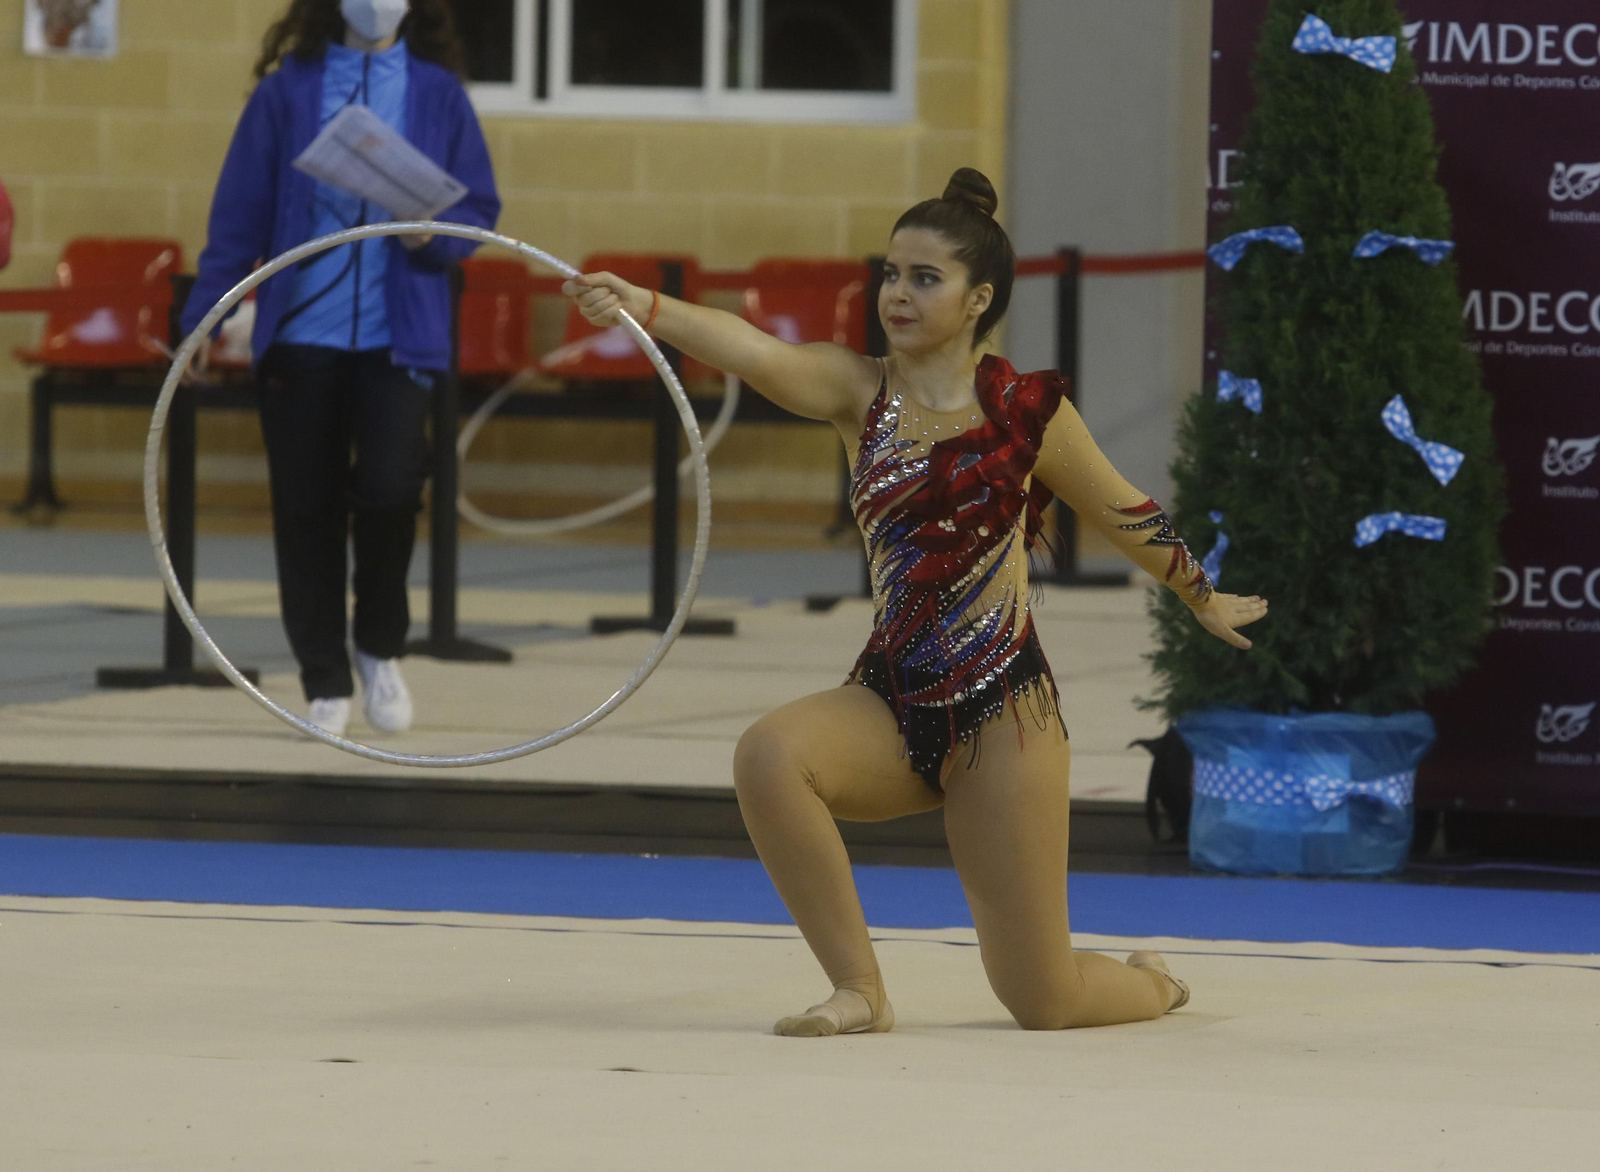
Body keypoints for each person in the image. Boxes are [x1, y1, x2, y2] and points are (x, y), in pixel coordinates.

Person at [564, 169, 1268, 1035]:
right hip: (892, 700)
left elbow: (1123, 509)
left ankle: (1154, 982)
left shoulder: (1024, 413)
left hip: (1004, 717)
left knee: (1043, 1001)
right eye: (891, 274)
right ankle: (860, 990)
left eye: (924, 279)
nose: (896, 293)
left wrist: (1201, 594)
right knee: (770, 757)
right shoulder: (855, 391)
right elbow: (752, 349)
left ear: (978, 300)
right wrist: (645, 304)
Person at [181, 0, 500, 738]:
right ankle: (322, 675)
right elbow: (238, 214)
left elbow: (477, 211)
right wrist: (206, 316)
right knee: (305, 507)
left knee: (391, 491)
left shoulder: (439, 93)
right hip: (301, 337)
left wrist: (435, 238)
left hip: (399, 341)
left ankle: (379, 645)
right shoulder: (285, 91)